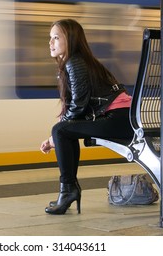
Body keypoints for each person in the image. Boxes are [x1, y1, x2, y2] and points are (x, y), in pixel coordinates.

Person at [40, 19, 133, 215]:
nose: (51, 43)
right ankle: (69, 189)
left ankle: (69, 190)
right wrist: (56, 135)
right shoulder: (77, 62)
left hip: (118, 118)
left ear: (71, 39)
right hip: (119, 117)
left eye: (56, 37)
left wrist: (53, 136)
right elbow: (74, 109)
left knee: (61, 130)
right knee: (64, 131)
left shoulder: (75, 62)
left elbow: (78, 106)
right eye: (50, 38)